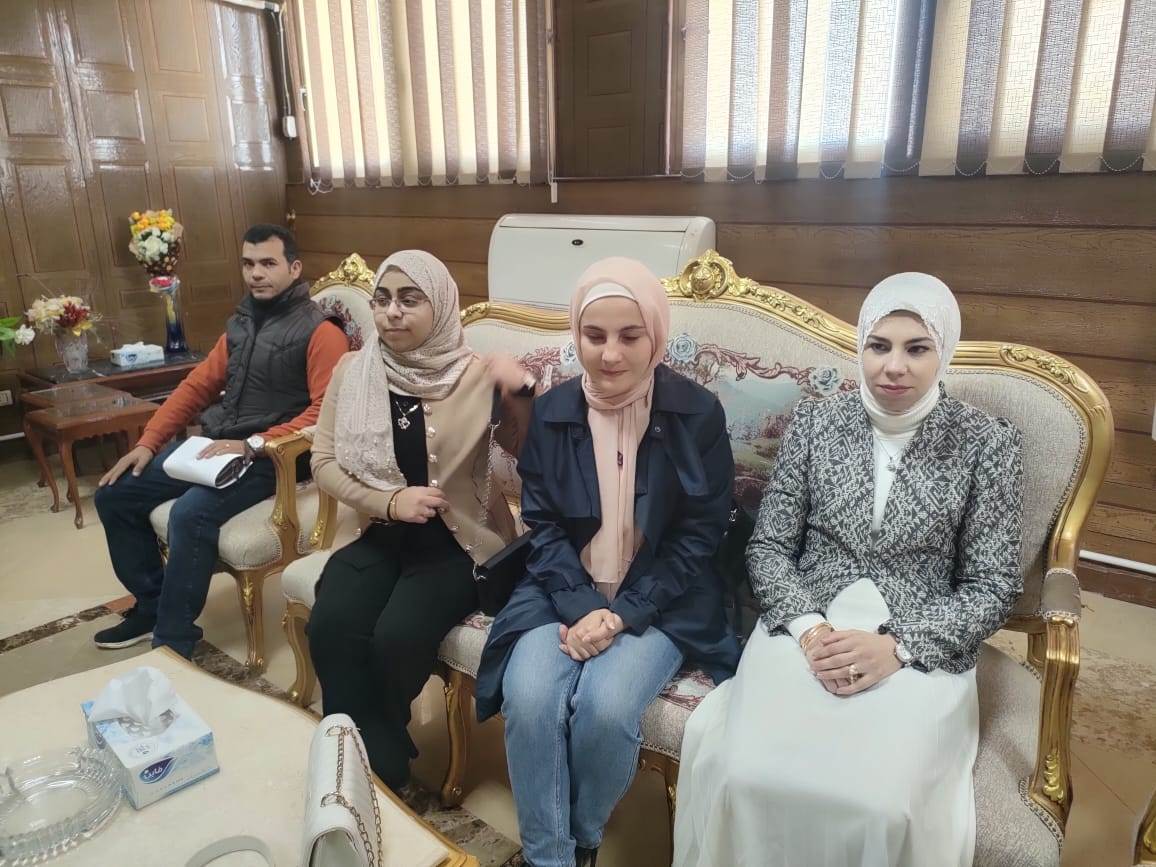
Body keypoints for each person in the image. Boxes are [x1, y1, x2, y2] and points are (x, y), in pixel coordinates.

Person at [672, 273, 1025, 867]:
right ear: (860, 346)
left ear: (944, 353)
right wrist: (811, 631)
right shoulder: (817, 423)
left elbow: (993, 585)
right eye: (878, 346)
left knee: (882, 804)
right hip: (805, 619)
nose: (894, 366)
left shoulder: (986, 442)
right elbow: (769, 547)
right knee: (745, 773)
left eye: (917, 348)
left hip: (922, 636)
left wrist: (899, 648)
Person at [476, 257, 741, 867]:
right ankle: (550, 858)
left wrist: (620, 615)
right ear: (576, 334)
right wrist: (580, 606)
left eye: (630, 336)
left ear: (656, 336)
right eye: (594, 336)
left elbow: (698, 536)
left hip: (662, 597)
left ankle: (582, 839)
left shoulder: (696, 413)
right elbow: (542, 524)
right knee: (529, 695)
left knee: (606, 709)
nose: (611, 354)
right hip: (561, 586)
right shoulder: (553, 411)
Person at [305, 249, 535, 792]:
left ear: (442, 306)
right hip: (382, 532)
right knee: (332, 625)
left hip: (459, 544)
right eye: (382, 300)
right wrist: (390, 502)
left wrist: (523, 393)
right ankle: (360, 758)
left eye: (410, 300)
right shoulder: (354, 372)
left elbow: (532, 457)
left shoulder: (476, 376)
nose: (392, 312)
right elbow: (323, 462)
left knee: (396, 638)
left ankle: (370, 763)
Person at [93, 224, 348, 657]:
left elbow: (326, 413)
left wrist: (254, 443)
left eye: (268, 263)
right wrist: (148, 443)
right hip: (218, 445)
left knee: (191, 513)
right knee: (115, 493)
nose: (256, 274)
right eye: (248, 264)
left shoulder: (322, 332)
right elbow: (196, 387)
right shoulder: (242, 323)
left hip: (273, 457)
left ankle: (173, 639)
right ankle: (151, 605)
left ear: (294, 268)